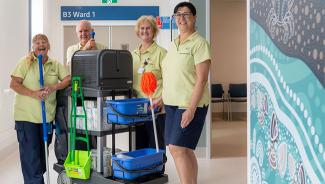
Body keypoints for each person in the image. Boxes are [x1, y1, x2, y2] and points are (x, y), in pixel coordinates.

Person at [161, 2, 211, 184]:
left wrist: (191, 109)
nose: (181, 18)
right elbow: (173, 75)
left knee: (177, 148)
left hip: (190, 104)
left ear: (194, 17)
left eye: (186, 14)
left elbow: (202, 79)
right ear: (174, 19)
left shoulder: (199, 43)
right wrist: (161, 98)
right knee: (185, 149)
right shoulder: (173, 44)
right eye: (178, 15)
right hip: (172, 104)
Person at [10, 34, 70, 184]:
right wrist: (34, 94)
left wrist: (53, 87)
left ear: (48, 46)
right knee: (31, 161)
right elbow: (14, 84)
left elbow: (68, 79)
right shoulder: (25, 63)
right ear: (33, 47)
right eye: (37, 42)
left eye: (44, 42)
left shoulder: (54, 64)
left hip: (46, 119)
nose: (41, 44)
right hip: (26, 118)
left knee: (41, 159)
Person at [131, 16, 167, 150]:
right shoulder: (133, 54)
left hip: (155, 107)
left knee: (156, 144)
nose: (145, 31)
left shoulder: (161, 53)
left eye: (148, 28)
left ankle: (157, 171)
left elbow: (170, 80)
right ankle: (143, 171)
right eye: (142, 28)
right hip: (137, 107)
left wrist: (162, 98)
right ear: (138, 31)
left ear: (154, 31)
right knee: (139, 145)